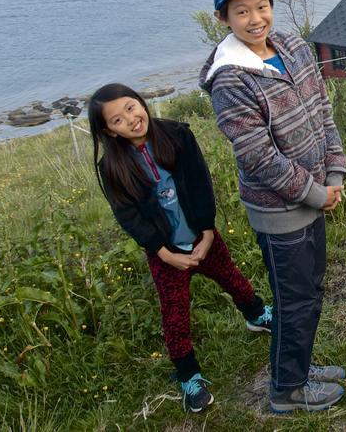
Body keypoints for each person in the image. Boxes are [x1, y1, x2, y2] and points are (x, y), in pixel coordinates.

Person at [199, 0, 346, 414]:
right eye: (241, 11)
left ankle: (297, 369)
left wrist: (335, 171)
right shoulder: (230, 80)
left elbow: (323, 109)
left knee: (310, 289)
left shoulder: (293, 46)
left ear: (271, 4)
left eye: (261, 6)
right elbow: (259, 158)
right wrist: (315, 193)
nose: (254, 18)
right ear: (222, 17)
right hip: (281, 210)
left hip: (317, 193)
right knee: (294, 298)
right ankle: (287, 389)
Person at [88, 83, 272, 414]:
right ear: (109, 131)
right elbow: (128, 215)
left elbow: (201, 183)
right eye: (117, 120)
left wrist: (207, 231)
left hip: (203, 235)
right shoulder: (111, 167)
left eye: (131, 107)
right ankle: (189, 375)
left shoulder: (177, 135)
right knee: (174, 312)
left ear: (142, 102)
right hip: (166, 251)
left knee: (230, 276)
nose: (130, 119)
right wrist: (162, 251)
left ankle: (256, 315)